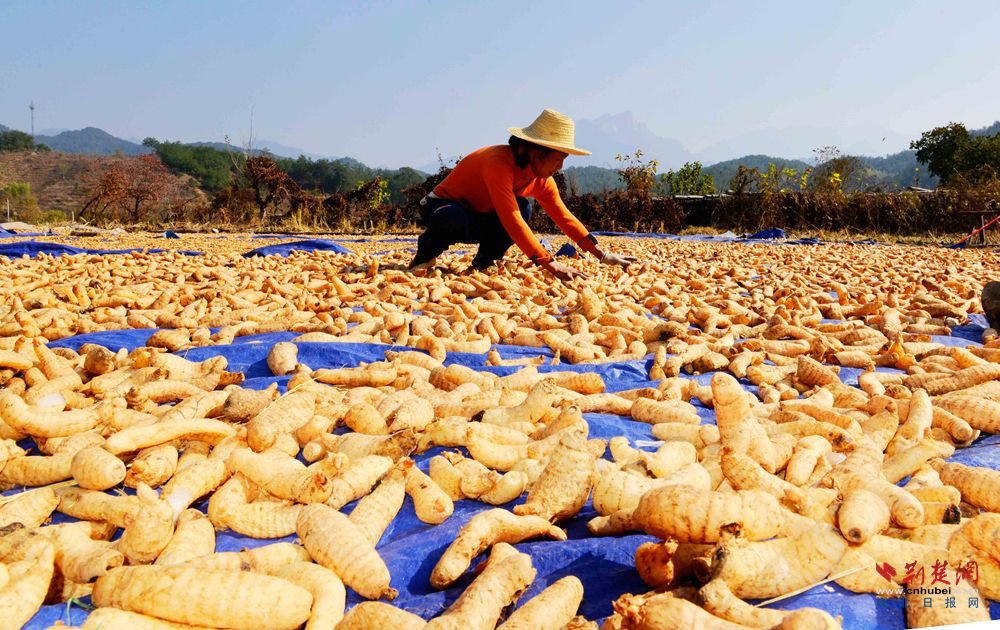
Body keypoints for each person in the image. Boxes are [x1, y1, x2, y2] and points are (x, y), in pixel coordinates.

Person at [408, 108, 636, 281]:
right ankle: (424, 257)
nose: (560, 167)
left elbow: (564, 217)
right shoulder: (499, 163)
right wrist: (550, 264)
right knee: (452, 218)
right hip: (444, 207)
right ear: (537, 152)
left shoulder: (542, 180)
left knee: (524, 206)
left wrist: (602, 255)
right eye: (558, 159)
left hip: (480, 216)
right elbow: (511, 218)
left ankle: (484, 262)